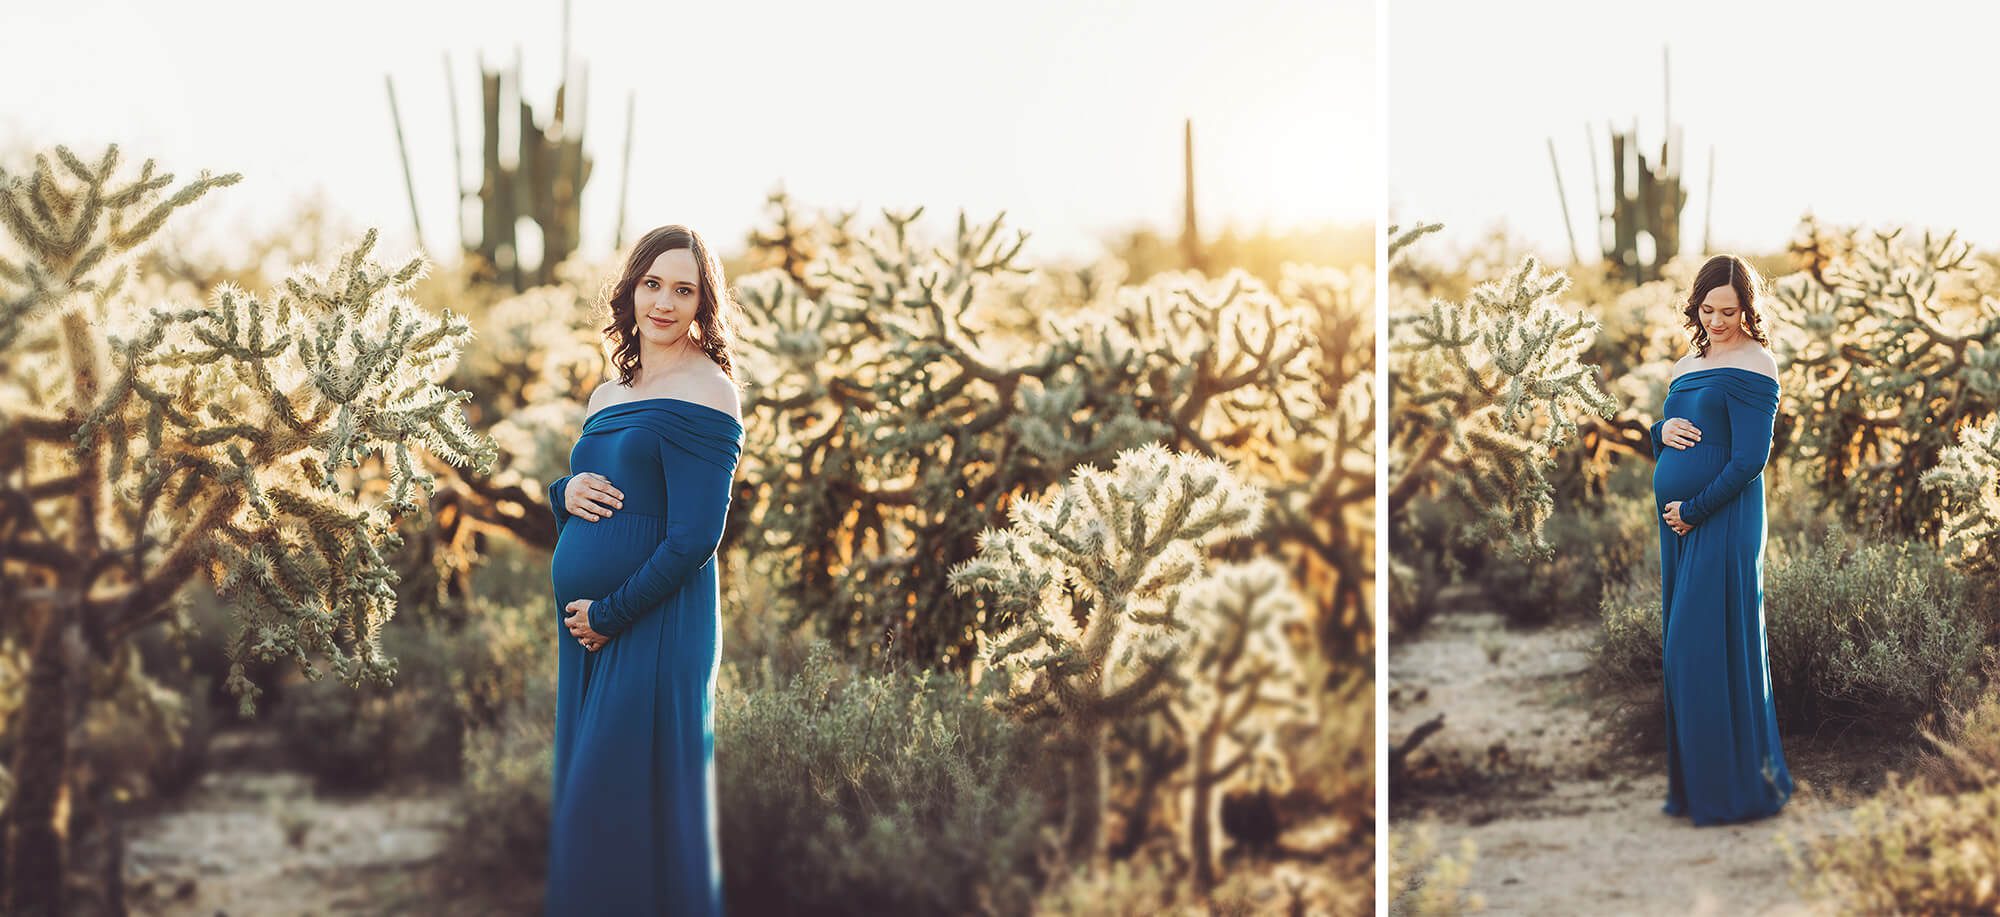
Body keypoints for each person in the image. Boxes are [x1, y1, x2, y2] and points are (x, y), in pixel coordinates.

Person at [543, 224, 744, 914]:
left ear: (702, 303)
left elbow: (694, 539)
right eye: (652, 283)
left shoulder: (711, 391)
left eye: (683, 289)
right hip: (589, 632)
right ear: (631, 290)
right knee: (590, 813)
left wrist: (609, 613)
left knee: (619, 809)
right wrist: (559, 494)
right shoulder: (608, 393)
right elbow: (585, 493)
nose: (664, 301)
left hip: (653, 624)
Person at [1647, 253, 1794, 826]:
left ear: (1746, 309)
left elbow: (1750, 459)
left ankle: (1735, 791)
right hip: (1678, 520)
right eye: (1707, 309)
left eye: (1728, 311)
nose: (1717, 321)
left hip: (1722, 516)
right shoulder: (1686, 365)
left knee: (1701, 648)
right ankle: (1697, 789)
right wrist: (1660, 431)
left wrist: (1696, 510)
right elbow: (1663, 440)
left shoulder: (1758, 363)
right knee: (1682, 654)